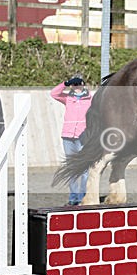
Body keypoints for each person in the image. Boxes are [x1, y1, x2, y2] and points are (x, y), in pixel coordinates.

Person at [50, 76, 93, 205]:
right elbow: (54, 93)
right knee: (71, 168)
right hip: (68, 137)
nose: (76, 87)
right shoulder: (68, 98)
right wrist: (65, 83)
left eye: (79, 84)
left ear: (84, 85)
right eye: (74, 85)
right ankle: (73, 197)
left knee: (85, 169)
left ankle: (83, 196)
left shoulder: (90, 99)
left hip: (83, 137)